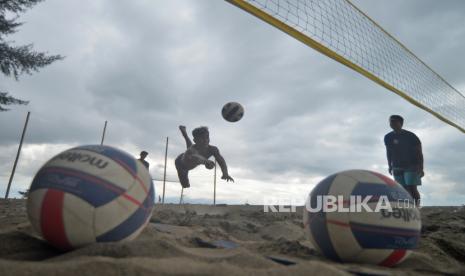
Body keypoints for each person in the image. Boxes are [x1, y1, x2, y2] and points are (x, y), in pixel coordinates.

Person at [384, 115, 424, 206]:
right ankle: (407, 207)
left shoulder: (411, 136)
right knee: (402, 189)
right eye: (390, 122)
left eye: (394, 121)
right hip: (397, 166)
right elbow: (388, 152)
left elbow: (419, 152)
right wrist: (390, 166)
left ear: (401, 123)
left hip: (412, 166)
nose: (392, 123)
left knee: (412, 187)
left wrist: (421, 168)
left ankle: (417, 207)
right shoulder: (388, 137)